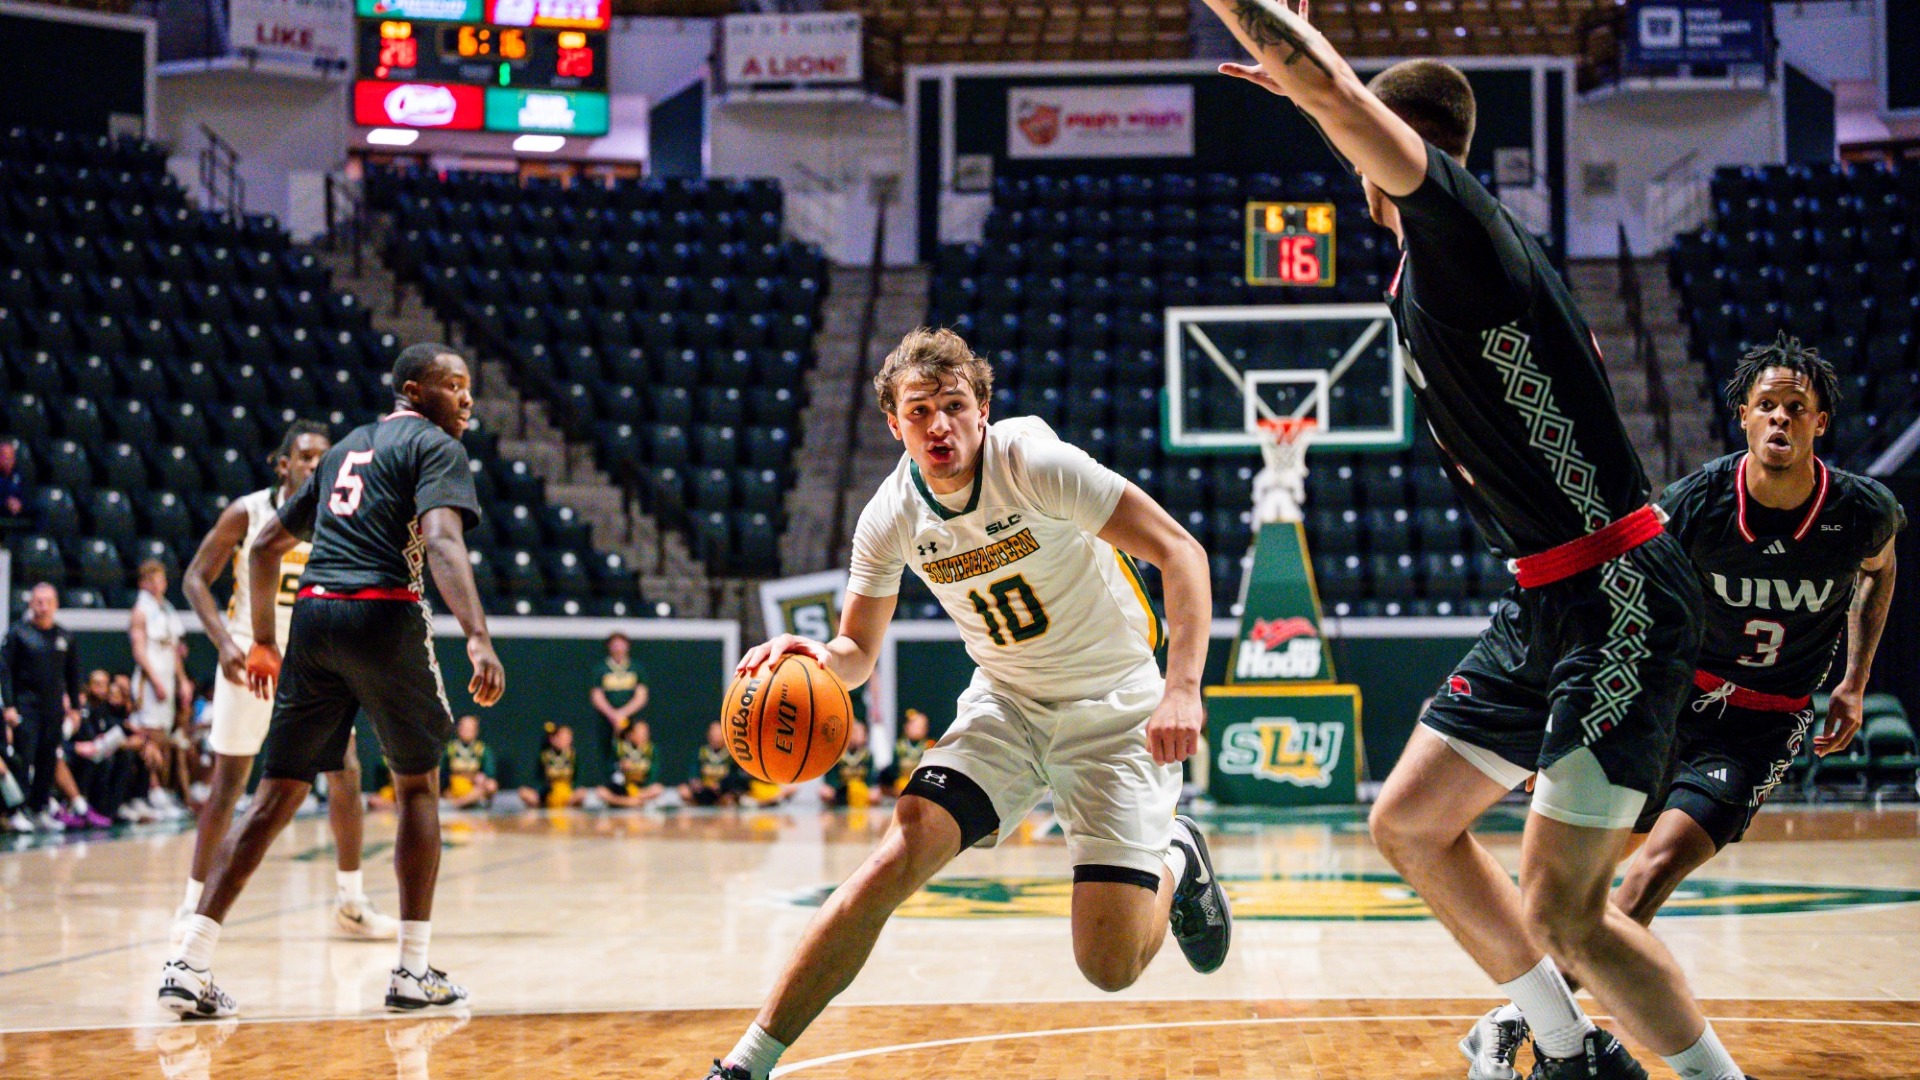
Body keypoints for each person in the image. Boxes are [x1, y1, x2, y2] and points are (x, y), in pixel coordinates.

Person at [1198, 4, 1742, 1077]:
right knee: (1406, 822)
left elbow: (1351, 104)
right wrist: (1320, 99)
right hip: (1545, 599)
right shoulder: (1436, 250)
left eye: (1354, 133)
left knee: (1570, 910)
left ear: (1395, 145)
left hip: (1617, 589)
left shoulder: (1457, 229)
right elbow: (1352, 112)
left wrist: (1287, 54)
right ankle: (1569, 1048)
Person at [698, 328, 1229, 1080]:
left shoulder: (1036, 465)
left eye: (953, 406)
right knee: (894, 856)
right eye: (919, 412)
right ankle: (748, 1064)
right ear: (895, 423)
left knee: (1109, 967)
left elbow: (1182, 551)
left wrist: (1181, 689)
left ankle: (1179, 851)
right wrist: (812, 656)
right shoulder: (889, 516)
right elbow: (854, 657)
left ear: (983, 409)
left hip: (1112, 708)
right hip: (1006, 704)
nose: (938, 425)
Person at [1459, 336, 1906, 1076]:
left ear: (1820, 423)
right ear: (1742, 417)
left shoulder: (1861, 511)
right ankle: (1523, 1021)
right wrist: (1567, 730)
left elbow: (1879, 572)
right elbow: (1619, 601)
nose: (1781, 421)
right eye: (1767, 406)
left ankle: (1512, 1024)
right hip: (1671, 705)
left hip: (1763, 724)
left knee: (1651, 874)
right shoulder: (1697, 504)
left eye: (1798, 409)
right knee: (1577, 891)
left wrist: (1855, 678)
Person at [157, 343, 505, 1019]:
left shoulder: (345, 447)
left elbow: (263, 548)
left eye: (470, 387)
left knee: (274, 794)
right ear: (414, 390)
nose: (468, 399)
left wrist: (263, 641)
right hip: (384, 613)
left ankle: (189, 963)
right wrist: (478, 634)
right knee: (416, 786)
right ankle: (411, 970)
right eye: (455, 385)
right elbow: (440, 542)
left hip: (314, 622)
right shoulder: (436, 447)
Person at [174, 419, 398, 941]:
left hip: (311, 666)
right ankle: (191, 905)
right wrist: (227, 645)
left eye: (325, 457)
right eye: (306, 457)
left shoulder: (340, 516)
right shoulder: (248, 511)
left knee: (346, 771)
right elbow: (193, 580)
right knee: (229, 785)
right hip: (251, 660)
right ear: (283, 464)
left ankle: (351, 902)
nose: (316, 465)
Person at [1, 583, 83, 832]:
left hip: (53, 710)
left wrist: (76, 708)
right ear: (30, 604)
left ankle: (38, 809)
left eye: (47, 601)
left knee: (48, 760)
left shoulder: (65, 637)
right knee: (23, 760)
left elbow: (73, 674)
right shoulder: (18, 633)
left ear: (56, 604)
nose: (42, 606)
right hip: (26, 708)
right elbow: (4, 672)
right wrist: (10, 706)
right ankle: (15, 811)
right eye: (37, 601)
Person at [129, 560, 190, 820]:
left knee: (163, 737)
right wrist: (155, 680)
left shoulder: (166, 609)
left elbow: (175, 650)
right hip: (150, 680)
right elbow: (139, 650)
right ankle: (149, 790)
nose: (157, 584)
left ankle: (159, 789)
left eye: (160, 579)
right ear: (142, 583)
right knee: (149, 736)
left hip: (167, 678)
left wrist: (183, 680)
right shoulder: (140, 610)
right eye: (151, 580)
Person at [590, 631, 649, 740]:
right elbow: (596, 695)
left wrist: (623, 713)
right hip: (606, 721)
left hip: (632, 718)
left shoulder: (636, 668)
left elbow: (641, 695)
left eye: (621, 645)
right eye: (615, 645)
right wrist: (613, 715)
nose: (618, 648)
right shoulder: (600, 669)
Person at [600, 717, 664, 809]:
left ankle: (629, 802)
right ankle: (631, 802)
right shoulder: (620, 748)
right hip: (622, 789)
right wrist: (620, 766)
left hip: (642, 789)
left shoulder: (651, 749)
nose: (644, 736)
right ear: (630, 734)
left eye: (645, 733)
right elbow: (609, 769)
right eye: (640, 733)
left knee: (658, 789)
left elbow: (654, 771)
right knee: (601, 792)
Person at [681, 721, 747, 807]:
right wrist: (696, 782)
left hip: (723, 791)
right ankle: (698, 811)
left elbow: (736, 776)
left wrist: (722, 785)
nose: (715, 738)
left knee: (730, 799)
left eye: (718, 735)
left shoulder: (732, 754)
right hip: (703, 790)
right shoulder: (701, 752)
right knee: (684, 791)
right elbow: (693, 772)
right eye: (713, 735)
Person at [521, 723, 584, 809]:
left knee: (581, 793)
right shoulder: (545, 756)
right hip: (548, 793)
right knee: (524, 792)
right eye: (562, 737)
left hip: (567, 793)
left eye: (568, 737)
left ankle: (567, 805)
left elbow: (577, 779)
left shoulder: (572, 755)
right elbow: (538, 779)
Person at [443, 715, 499, 809]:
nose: (466, 732)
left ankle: (461, 803)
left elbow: (490, 773)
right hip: (454, 786)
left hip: (475, 788)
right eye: (464, 728)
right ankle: (463, 802)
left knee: (491, 785)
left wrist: (480, 778)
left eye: (470, 729)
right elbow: (442, 772)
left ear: (476, 730)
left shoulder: (482, 749)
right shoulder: (450, 749)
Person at [878, 708, 932, 798]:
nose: (917, 729)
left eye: (921, 726)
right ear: (906, 727)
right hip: (902, 782)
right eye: (914, 726)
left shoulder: (928, 746)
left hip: (921, 782)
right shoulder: (900, 746)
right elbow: (894, 767)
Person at [818, 720, 873, 808]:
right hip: (840, 791)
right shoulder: (837, 754)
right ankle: (832, 811)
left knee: (875, 795)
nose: (854, 735)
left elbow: (871, 779)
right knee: (825, 792)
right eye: (852, 732)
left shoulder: (867, 755)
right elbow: (830, 778)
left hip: (861, 791)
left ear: (865, 737)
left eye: (857, 732)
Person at [0, 439, 28, 528]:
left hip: (17, 514)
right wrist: (5, 503)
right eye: (5, 458)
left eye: (11, 458)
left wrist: (20, 504)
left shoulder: (19, 475)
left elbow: (26, 495)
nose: (8, 462)